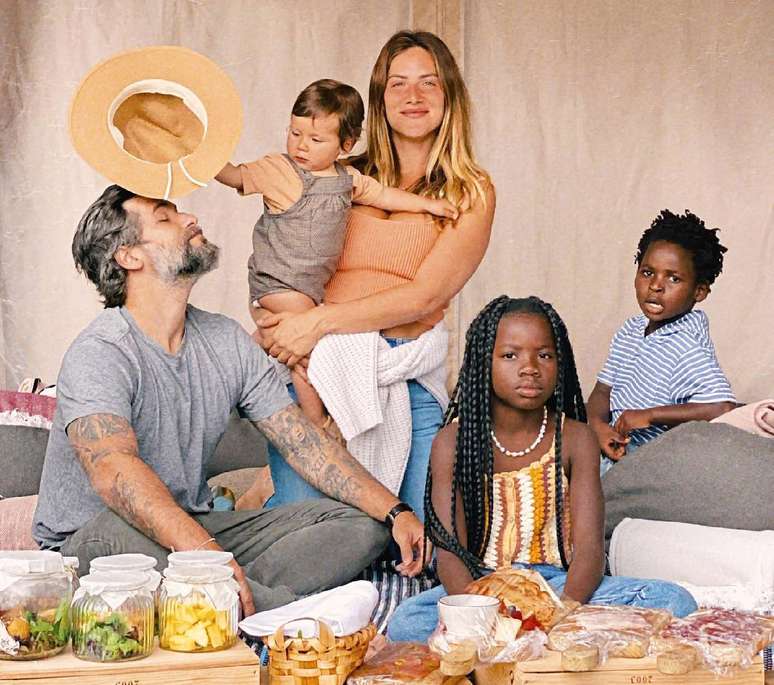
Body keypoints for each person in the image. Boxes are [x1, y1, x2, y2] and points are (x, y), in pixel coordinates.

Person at [32, 185, 427, 616]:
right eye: (165, 217)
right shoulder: (101, 351)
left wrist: (395, 511)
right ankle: (283, 611)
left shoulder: (225, 339)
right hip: (92, 544)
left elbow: (304, 444)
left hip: (190, 528)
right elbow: (115, 472)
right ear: (128, 256)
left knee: (361, 525)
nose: (189, 219)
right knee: (112, 530)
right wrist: (208, 558)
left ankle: (228, 600)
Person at [252, 31, 496, 522]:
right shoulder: (336, 176)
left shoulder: (469, 192)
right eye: (398, 83)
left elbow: (423, 296)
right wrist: (278, 321)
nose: (413, 95)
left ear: (449, 94)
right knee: (305, 530)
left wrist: (316, 323)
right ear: (379, 98)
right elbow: (283, 255)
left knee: (424, 534)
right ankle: (260, 500)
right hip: (316, 366)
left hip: (402, 375)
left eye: (428, 82)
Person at [387, 296, 698, 642]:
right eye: (510, 355)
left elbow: (590, 551)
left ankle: (537, 643)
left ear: (560, 363)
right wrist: (482, 614)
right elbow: (448, 553)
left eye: (545, 355)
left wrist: (562, 611)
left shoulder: (575, 438)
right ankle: (554, 645)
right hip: (484, 587)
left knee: (674, 600)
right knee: (407, 622)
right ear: (482, 362)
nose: (530, 368)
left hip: (560, 585)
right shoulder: (452, 441)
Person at [215, 79, 458, 435]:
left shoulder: (348, 179)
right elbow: (234, 175)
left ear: (346, 145)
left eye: (316, 140)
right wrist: (200, 156)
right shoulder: (280, 171)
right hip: (280, 282)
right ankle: (320, 423)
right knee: (307, 352)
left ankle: (234, 374)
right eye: (295, 133)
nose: (301, 146)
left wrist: (428, 205)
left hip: (309, 288)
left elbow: (385, 196)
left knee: (278, 339)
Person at [587, 210, 736, 470]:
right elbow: (602, 391)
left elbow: (722, 407)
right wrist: (598, 427)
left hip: (652, 461)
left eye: (673, 278)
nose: (656, 286)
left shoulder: (687, 344)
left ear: (699, 291)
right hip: (612, 442)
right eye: (647, 273)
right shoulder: (630, 330)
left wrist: (650, 415)